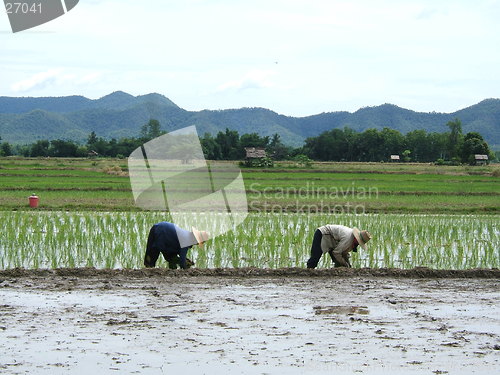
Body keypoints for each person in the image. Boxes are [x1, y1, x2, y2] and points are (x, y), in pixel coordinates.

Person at [144, 221, 209, 269]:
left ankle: (170, 269)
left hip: (163, 230)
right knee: (154, 249)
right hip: (162, 231)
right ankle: (149, 266)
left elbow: (179, 254)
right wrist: (186, 268)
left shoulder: (186, 236)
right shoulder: (187, 240)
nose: (197, 244)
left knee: (171, 257)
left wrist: (186, 260)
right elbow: (182, 260)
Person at [307, 224, 371, 268]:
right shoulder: (348, 238)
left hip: (333, 239)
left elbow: (344, 253)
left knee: (339, 261)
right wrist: (346, 264)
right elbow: (336, 253)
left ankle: (336, 272)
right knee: (316, 255)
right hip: (323, 233)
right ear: (356, 239)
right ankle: (308, 271)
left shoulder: (351, 240)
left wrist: (348, 266)